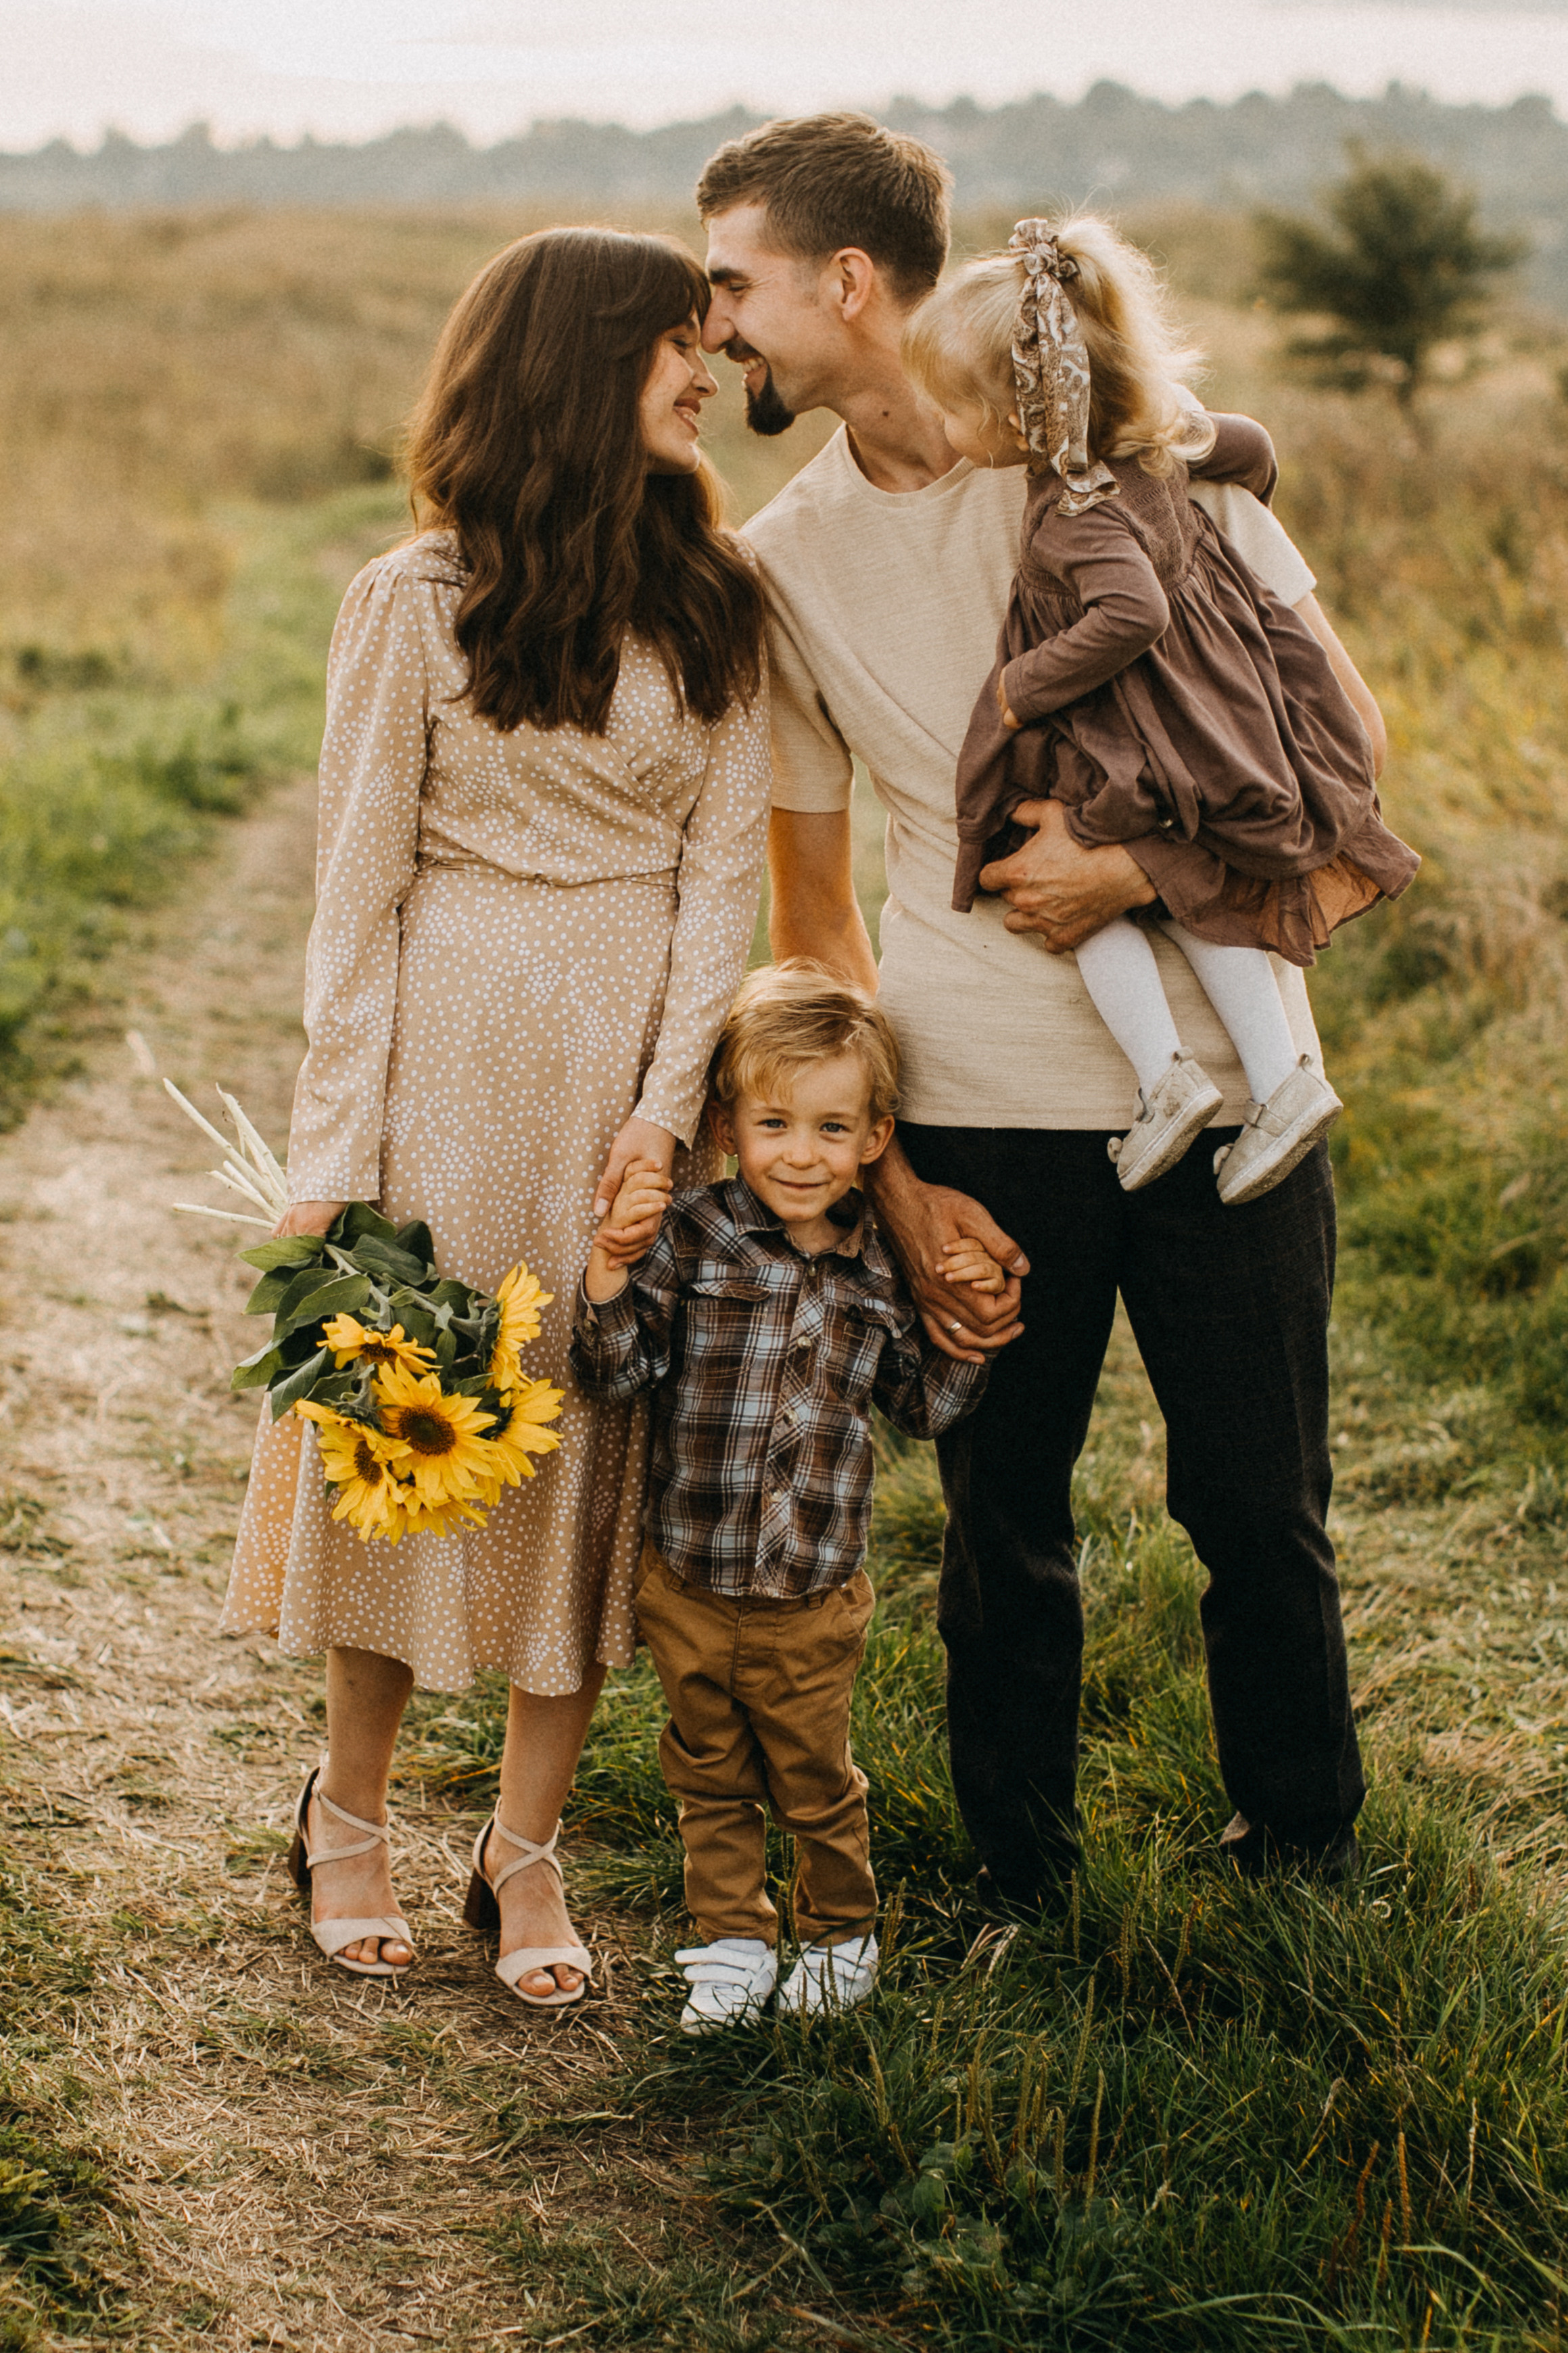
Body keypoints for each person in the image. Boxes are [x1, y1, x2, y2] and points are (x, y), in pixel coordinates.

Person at [692, 112, 1385, 1899]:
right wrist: (894, 1177)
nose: (715, 328)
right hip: (978, 1103)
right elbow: (814, 912)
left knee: (1261, 1506)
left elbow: (1342, 746)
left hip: (1232, 1082)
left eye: (733, 286)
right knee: (1002, 1518)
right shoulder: (783, 565)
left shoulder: (1123, 454)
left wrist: (1132, 872)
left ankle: (1302, 1859)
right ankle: (1022, 1879)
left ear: (848, 282)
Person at [222, 227, 771, 1999]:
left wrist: (667, 1120)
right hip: (439, 1088)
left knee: (590, 1449)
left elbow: (724, 880)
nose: (706, 374)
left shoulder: (715, 601)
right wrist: (333, 1161)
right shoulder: (414, 598)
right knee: (415, 1442)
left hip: (618, 1091)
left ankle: (523, 1851)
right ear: (575, 367)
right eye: (675, 345)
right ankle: (349, 1813)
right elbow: (356, 891)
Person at [905, 216, 1418, 1201]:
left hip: (1138, 723)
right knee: (1191, 898)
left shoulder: (1069, 517)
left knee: (1058, 877)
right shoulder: (1154, 452)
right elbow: (1250, 444)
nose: (940, 427)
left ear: (1015, 422)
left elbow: (1131, 613)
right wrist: (1242, 482)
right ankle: (1278, 1080)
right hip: (1212, 701)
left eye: (953, 410)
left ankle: (1166, 1079)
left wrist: (1022, 687)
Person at [571, 964, 990, 2033]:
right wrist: (610, 1274)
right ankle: (730, 1945)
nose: (802, 1154)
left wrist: (970, 1335)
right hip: (691, 1577)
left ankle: (841, 1937)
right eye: (774, 1124)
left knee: (814, 1776)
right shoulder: (697, 1235)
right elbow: (619, 1374)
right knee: (708, 1772)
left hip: (812, 1589)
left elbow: (922, 1406)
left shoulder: (883, 1271)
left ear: (876, 1138)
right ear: (729, 1125)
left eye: (832, 1128)